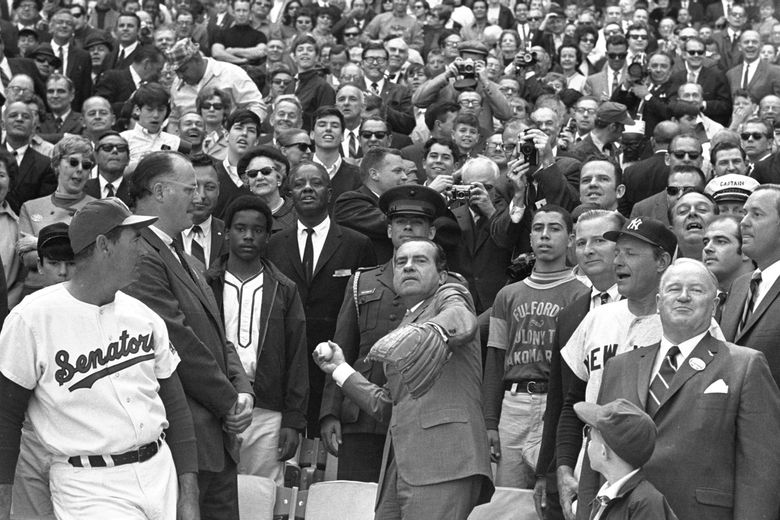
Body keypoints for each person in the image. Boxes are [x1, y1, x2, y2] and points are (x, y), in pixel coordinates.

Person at [0, 198, 200, 519]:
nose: (143, 250)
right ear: (105, 245)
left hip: (159, 471)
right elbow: (6, 419)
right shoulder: (32, 318)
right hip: (89, 482)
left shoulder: (144, 316)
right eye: (133, 240)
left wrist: (189, 496)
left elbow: (176, 410)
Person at [313, 238, 494, 518]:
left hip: (444, 460)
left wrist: (437, 332)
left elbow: (461, 320)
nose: (408, 266)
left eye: (420, 260)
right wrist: (339, 369)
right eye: (401, 261)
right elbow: (388, 405)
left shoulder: (449, 296)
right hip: (401, 465)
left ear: (441, 276)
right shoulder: (406, 323)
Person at [594, 258, 780, 520]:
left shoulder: (745, 365)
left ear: (715, 305)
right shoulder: (619, 367)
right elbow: (597, 455)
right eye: (673, 289)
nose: (683, 297)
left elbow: (761, 471)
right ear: (659, 303)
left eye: (696, 290)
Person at [123, 151, 254, 520]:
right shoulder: (139, 252)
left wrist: (242, 391)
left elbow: (217, 335)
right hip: (186, 440)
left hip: (216, 438)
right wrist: (229, 403)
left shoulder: (187, 258)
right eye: (189, 188)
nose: (199, 198)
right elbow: (177, 340)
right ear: (160, 192)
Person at [320, 184, 461, 482]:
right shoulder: (362, 280)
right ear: (388, 230)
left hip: (418, 413)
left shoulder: (449, 285)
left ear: (432, 232)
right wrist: (330, 411)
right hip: (361, 415)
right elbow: (342, 345)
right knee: (354, 502)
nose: (408, 227)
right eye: (399, 221)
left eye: (418, 222)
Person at [267, 161, 376, 435]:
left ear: (329, 192)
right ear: (289, 194)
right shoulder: (273, 244)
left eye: (315, 183)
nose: (307, 189)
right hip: (287, 365)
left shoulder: (357, 244)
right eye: (299, 184)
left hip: (336, 361)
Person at [484, 205, 589, 488]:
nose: (545, 235)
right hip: (513, 404)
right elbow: (495, 361)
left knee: (551, 495)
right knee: (507, 497)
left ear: (570, 238)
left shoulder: (583, 293)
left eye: (554, 228)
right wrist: (490, 422)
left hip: (554, 403)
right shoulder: (507, 295)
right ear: (529, 238)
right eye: (538, 229)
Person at [207, 195, 308, 486]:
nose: (249, 236)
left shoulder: (284, 289)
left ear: (268, 236)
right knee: (215, 493)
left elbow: (297, 357)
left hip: (268, 411)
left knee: (263, 494)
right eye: (240, 228)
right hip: (216, 404)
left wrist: (293, 420)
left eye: (258, 229)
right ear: (226, 233)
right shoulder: (206, 283)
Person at [534, 209, 624, 520]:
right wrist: (548, 470)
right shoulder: (571, 314)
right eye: (582, 241)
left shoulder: (650, 305)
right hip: (581, 454)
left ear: (622, 246)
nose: (588, 249)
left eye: (600, 240)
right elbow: (561, 398)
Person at [17, 136, 96, 296]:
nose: (80, 169)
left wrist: (38, 242)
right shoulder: (30, 207)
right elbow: (27, 258)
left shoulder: (98, 208)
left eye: (86, 165)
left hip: (80, 292)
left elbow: (94, 257)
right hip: (37, 292)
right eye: (73, 162)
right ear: (57, 164)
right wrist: (75, 244)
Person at [576, 399, 678, 520]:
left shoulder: (645, 504)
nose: (588, 443)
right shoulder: (608, 495)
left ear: (604, 452)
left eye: (589, 435)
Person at [166, 37, 267, 124]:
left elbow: (256, 106)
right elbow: (174, 120)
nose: (180, 77)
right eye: (176, 72)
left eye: (183, 70)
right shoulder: (176, 85)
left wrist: (242, 130)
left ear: (196, 58)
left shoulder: (231, 73)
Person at [334, 147, 408, 262]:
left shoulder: (396, 203)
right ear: (374, 174)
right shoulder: (349, 202)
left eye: (404, 171)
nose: (405, 177)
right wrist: (423, 196)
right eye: (398, 171)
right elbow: (387, 222)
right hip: (366, 276)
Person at [3, 101, 56, 214]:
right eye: (13, 115)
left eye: (25, 116)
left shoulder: (45, 164)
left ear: (33, 126)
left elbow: (44, 208)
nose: (19, 119)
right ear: (3, 124)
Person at [619, 121, 679, 216]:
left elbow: (623, 207)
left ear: (652, 141)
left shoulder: (630, 171)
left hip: (638, 226)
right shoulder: (681, 172)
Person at [703, 215, 755, 322]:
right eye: (705, 242)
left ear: (746, 250)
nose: (707, 248)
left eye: (721, 241)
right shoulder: (701, 302)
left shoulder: (762, 298)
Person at [180, 155, 227, 269]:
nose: (201, 195)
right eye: (193, 187)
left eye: (210, 187)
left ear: (218, 190)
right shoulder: (164, 234)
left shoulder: (229, 235)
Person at [211, 109, 259, 219]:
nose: (244, 133)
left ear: (256, 141)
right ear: (226, 135)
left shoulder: (262, 177)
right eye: (238, 128)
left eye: (251, 130)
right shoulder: (212, 173)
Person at [237, 145, 296, 233]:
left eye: (266, 171)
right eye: (253, 174)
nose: (259, 177)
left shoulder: (299, 211)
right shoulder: (241, 216)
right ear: (247, 181)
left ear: (279, 177)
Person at [120, 82, 184, 162]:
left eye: (161, 110)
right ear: (137, 110)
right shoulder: (122, 139)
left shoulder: (177, 142)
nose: (156, 115)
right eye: (150, 110)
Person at [630, 162, 706, 226]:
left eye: (688, 190)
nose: (680, 195)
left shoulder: (713, 216)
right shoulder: (643, 211)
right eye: (673, 190)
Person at [564, 102, 633, 163]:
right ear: (613, 127)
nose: (623, 129)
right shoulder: (578, 153)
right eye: (622, 126)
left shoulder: (615, 149)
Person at [83, 131, 132, 206]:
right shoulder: (80, 189)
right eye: (107, 147)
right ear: (96, 157)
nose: (115, 151)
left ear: (128, 159)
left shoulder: (139, 192)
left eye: (121, 148)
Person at [668, 191, 717, 259]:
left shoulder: (734, 266)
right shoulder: (659, 266)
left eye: (702, 209)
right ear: (672, 231)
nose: (692, 212)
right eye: (683, 211)